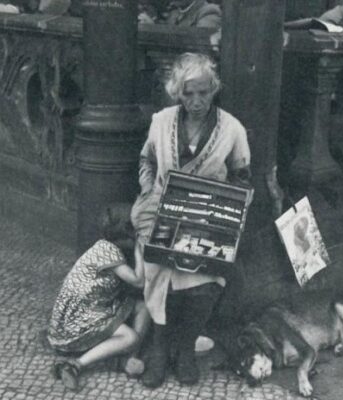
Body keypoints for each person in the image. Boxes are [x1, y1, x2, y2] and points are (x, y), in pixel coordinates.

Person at [131, 52, 251, 388]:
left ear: (214, 89)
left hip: (205, 219)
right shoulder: (161, 121)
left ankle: (184, 349)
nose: (196, 101)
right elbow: (146, 161)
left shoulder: (232, 129)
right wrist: (148, 194)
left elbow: (242, 177)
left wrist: (222, 202)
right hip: (160, 214)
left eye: (203, 92)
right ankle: (157, 349)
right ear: (177, 93)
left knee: (204, 283)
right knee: (161, 279)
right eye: (188, 94)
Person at [47, 204, 151, 391]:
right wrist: (140, 249)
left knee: (143, 306)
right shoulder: (108, 252)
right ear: (127, 230)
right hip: (75, 321)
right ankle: (75, 365)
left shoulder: (104, 245)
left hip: (89, 308)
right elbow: (138, 281)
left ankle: (129, 358)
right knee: (130, 337)